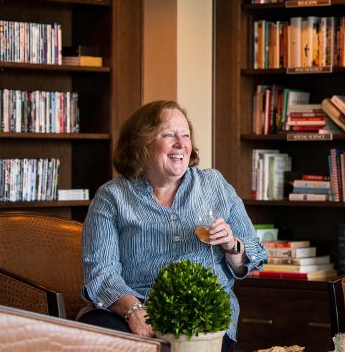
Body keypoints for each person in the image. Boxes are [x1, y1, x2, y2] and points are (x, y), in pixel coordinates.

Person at [79, 101, 266, 352]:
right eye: (168, 135)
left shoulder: (214, 185)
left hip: (203, 314)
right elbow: (101, 272)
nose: (181, 143)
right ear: (141, 143)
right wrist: (134, 311)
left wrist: (232, 246)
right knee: (99, 340)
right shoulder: (112, 196)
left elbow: (254, 252)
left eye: (185, 135)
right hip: (129, 309)